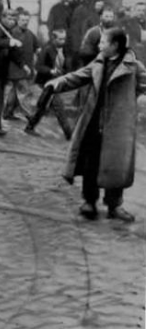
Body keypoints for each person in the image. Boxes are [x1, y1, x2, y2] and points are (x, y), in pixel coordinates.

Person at [44, 27, 146, 222]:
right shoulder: (99, 62)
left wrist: (138, 104)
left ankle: (114, 206)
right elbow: (78, 76)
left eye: (103, 42)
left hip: (118, 128)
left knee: (116, 167)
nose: (99, 45)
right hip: (93, 122)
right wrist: (57, 83)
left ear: (115, 45)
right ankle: (89, 202)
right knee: (91, 164)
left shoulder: (134, 66)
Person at [25, 29, 74, 139]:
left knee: (42, 107)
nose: (63, 41)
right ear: (53, 39)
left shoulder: (65, 51)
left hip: (56, 82)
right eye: (60, 39)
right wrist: (50, 71)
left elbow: (66, 66)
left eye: (64, 39)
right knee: (59, 107)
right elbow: (38, 66)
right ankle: (69, 134)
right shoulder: (47, 50)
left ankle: (30, 126)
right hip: (46, 83)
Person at [3, 8, 37, 121]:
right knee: (25, 92)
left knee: (14, 90)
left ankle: (8, 112)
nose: (25, 22)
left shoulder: (30, 34)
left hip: (26, 67)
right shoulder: (12, 33)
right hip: (16, 67)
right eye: (22, 20)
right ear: (18, 20)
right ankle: (31, 116)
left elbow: (37, 47)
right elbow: (11, 52)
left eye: (27, 20)